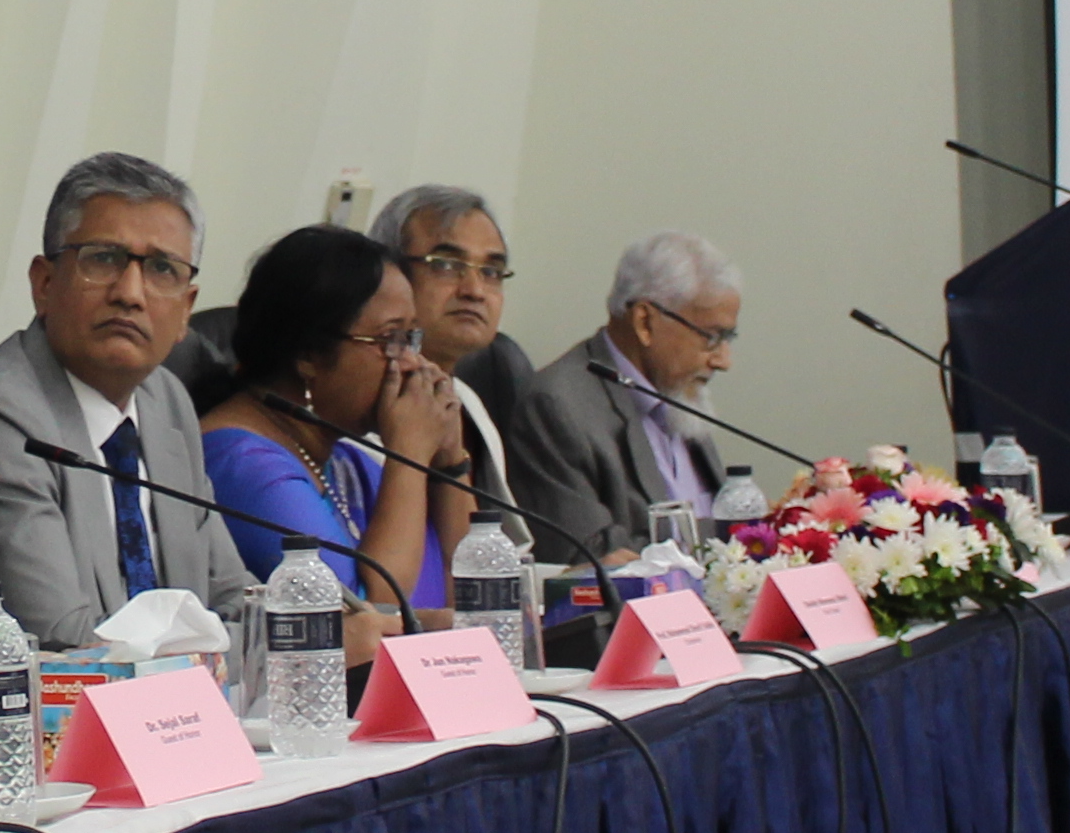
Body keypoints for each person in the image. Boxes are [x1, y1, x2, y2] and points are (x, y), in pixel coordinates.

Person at [0, 151, 264, 645]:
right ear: (44, 282)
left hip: (157, 711)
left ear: (187, 308)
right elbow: (62, 644)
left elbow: (230, 593)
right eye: (103, 259)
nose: (130, 292)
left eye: (162, 269)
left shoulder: (165, 400)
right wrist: (211, 653)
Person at [196, 224, 471, 650]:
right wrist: (410, 454)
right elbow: (368, 623)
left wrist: (449, 463)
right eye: (391, 340)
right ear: (308, 353)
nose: (413, 363)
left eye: (413, 338)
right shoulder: (240, 463)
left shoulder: (345, 459)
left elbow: (472, 597)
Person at [513, 232, 741, 569]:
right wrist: (740, 536)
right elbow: (589, 558)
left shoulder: (681, 395)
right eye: (712, 337)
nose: (724, 360)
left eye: (728, 338)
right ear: (645, 322)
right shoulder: (558, 406)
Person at [369, 183, 537, 511]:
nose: (475, 290)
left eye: (491, 271)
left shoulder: (469, 403)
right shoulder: (359, 408)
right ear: (390, 272)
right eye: (446, 265)